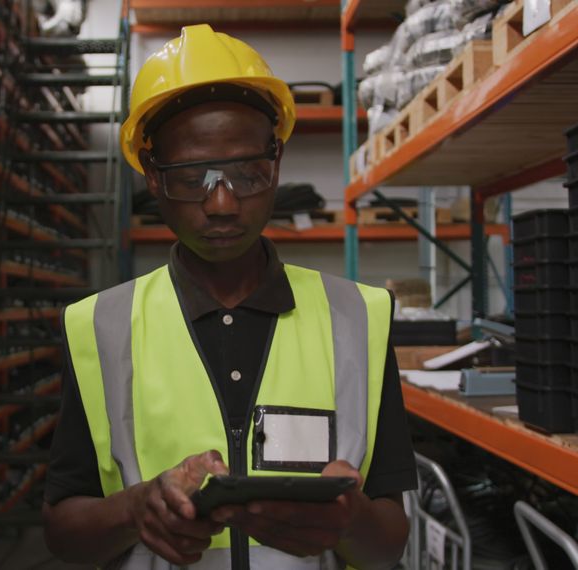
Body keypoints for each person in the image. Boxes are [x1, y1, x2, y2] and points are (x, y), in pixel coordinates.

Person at [42, 24, 415, 569]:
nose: (221, 204)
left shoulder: (358, 317)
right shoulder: (101, 325)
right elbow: (61, 531)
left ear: (277, 162)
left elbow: (388, 543)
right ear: (151, 174)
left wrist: (349, 518)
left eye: (247, 173)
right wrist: (135, 509)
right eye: (192, 177)